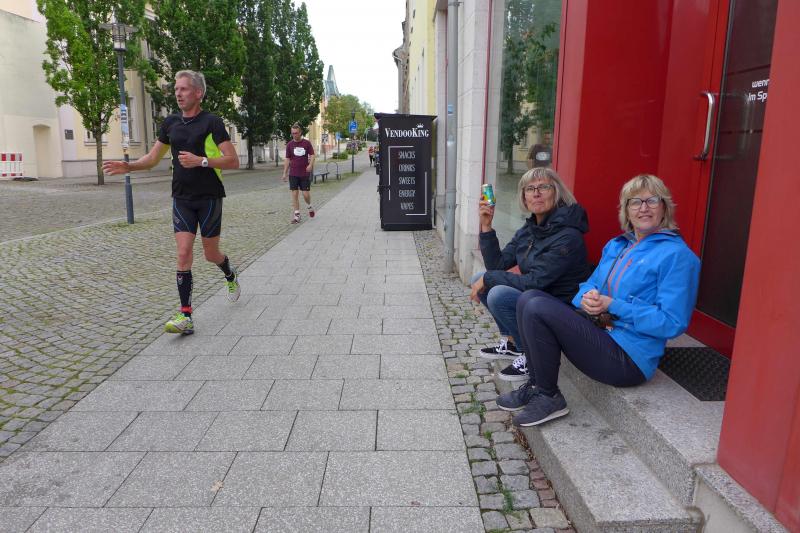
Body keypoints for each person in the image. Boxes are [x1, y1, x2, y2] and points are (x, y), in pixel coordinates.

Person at [497, 174, 701, 427]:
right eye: (635, 202)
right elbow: (588, 284)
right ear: (626, 210)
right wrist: (587, 298)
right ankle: (537, 385)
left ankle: (549, 397)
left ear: (664, 207)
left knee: (537, 305)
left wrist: (613, 305)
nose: (644, 208)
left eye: (652, 201)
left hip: (629, 358)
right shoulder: (618, 246)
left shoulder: (677, 256)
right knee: (528, 298)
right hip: (601, 330)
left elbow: (671, 323)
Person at [102, 70, 241, 335]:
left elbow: (233, 160)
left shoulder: (212, 122)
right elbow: (153, 158)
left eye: (183, 89)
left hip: (209, 197)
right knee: (183, 253)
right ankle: (185, 315)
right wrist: (129, 166)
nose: (178, 94)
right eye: (176, 89)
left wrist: (201, 161)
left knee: (210, 254)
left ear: (198, 93)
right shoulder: (170, 123)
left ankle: (229, 272)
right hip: (181, 198)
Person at [471, 167, 590, 383]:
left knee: (497, 293)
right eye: (530, 189)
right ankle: (514, 345)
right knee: (479, 278)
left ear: (556, 193)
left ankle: (532, 354)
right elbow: (497, 265)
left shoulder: (568, 235)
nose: (536, 193)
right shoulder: (530, 229)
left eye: (543, 187)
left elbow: (536, 281)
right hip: (537, 297)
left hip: (562, 307)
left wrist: (488, 279)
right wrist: (486, 226)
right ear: (524, 197)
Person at [282, 123, 315, 223]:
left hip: (304, 173)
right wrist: (285, 173)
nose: (294, 135)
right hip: (293, 173)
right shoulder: (289, 145)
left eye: (296, 133)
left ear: (300, 133)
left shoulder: (306, 143)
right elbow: (287, 159)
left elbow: (312, 155)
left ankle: (309, 206)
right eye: (292, 133)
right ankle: (297, 215)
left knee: (305, 194)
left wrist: (310, 165)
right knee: (295, 194)